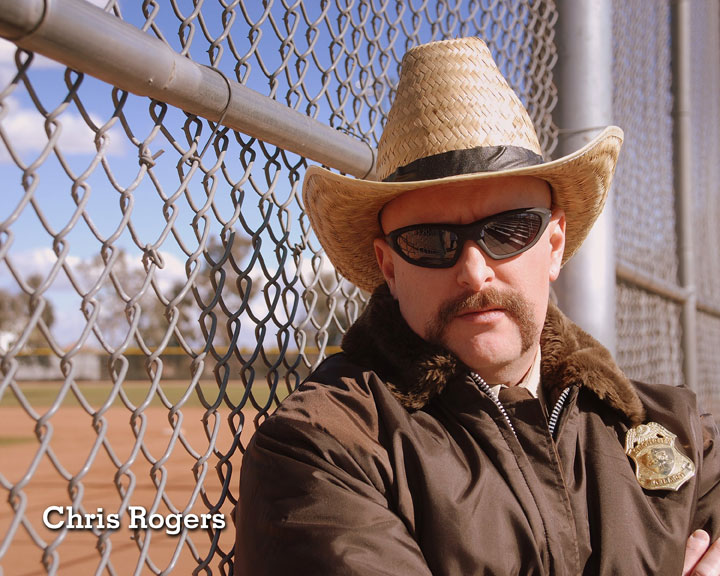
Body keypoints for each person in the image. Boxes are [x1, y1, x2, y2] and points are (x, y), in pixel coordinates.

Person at [234, 37, 720, 575]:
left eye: (509, 230)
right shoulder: (327, 449)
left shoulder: (676, 428)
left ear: (553, 245)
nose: (473, 271)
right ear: (390, 267)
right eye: (428, 241)